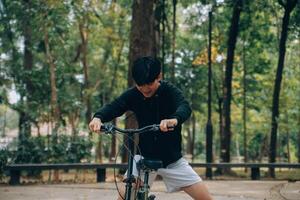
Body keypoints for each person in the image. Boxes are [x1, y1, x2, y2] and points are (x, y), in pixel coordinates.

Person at [89, 56, 213, 200]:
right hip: (143, 158)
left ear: (159, 77)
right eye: (140, 85)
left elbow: (184, 107)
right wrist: (98, 117)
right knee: (125, 196)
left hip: (172, 160)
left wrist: (174, 119)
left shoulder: (169, 91)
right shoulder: (134, 94)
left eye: (149, 83)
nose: (145, 89)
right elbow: (115, 106)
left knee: (206, 198)